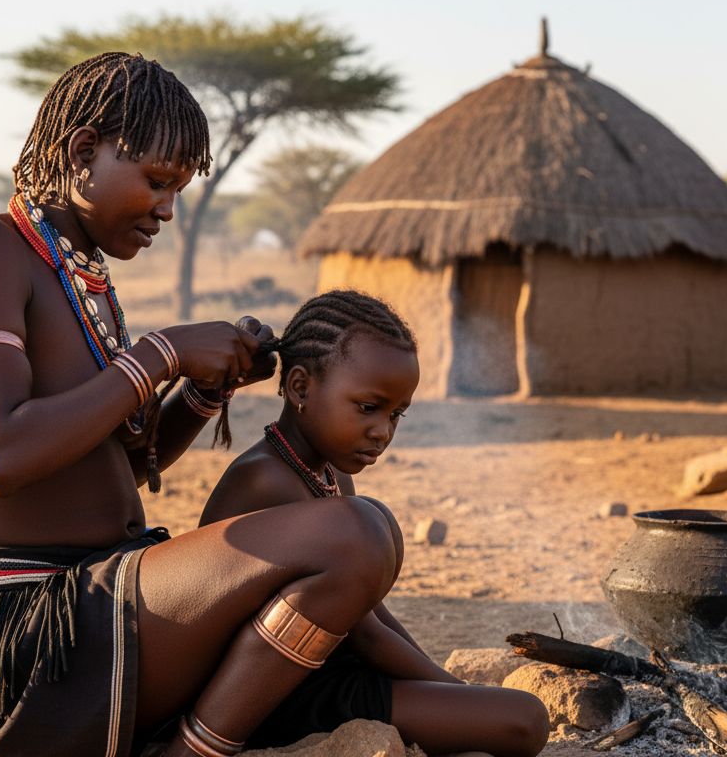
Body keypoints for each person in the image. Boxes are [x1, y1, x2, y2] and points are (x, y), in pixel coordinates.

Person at [0, 51, 480, 757]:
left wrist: (202, 390)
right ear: (83, 152)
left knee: (359, 537)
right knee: (353, 534)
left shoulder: (84, 278)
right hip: (20, 629)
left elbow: (120, 467)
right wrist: (162, 354)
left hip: (95, 603)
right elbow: (1, 456)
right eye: (157, 181)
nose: (167, 209)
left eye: (179, 189)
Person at [198, 290, 549, 755]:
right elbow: (365, 634)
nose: (383, 431)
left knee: (509, 716)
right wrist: (455, 692)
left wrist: (449, 689)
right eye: (368, 407)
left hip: (327, 674)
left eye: (396, 414)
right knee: (523, 721)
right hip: (271, 699)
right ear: (300, 388)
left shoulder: (329, 472)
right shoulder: (265, 480)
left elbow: (371, 613)